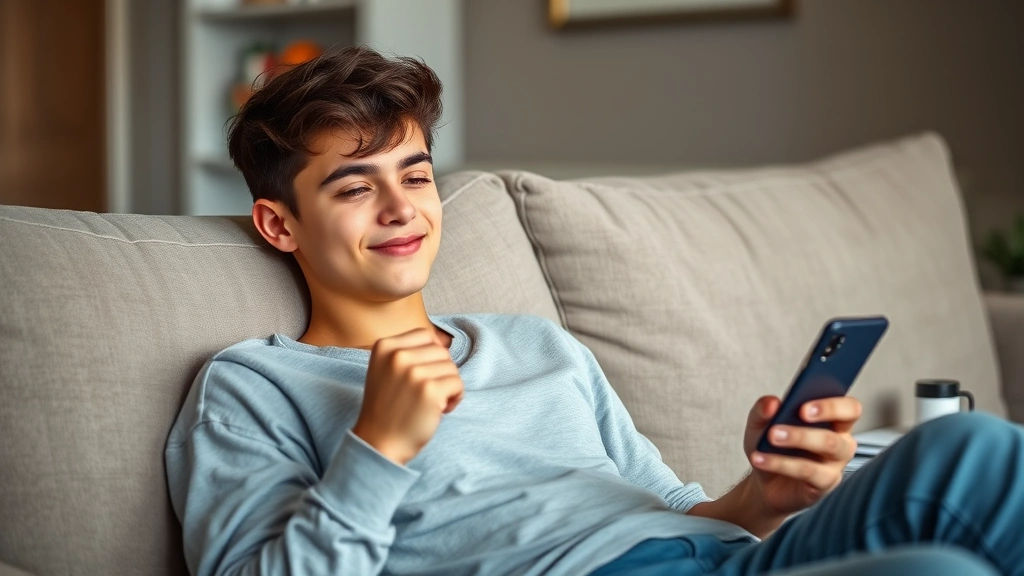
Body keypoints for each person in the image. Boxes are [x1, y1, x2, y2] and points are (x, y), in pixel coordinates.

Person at [165, 46, 1023, 576]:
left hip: (731, 558)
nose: (401, 209)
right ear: (280, 224)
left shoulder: (533, 345)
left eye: (416, 175)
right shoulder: (253, 385)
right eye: (355, 186)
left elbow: (670, 506)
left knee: (969, 449)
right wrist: (377, 448)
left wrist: (764, 496)